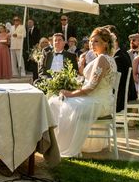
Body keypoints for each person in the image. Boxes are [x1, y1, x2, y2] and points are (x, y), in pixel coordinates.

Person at [48, 27, 117, 157]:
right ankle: (56, 142)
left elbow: (91, 87)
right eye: (91, 41)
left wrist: (70, 93)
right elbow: (90, 80)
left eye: (96, 41)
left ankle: (60, 145)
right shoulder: (104, 58)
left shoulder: (102, 59)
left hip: (98, 101)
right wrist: (81, 67)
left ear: (106, 43)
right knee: (55, 101)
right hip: (99, 98)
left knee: (60, 103)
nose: (92, 44)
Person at [104, 25, 136, 112]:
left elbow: (114, 83)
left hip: (120, 98)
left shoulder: (118, 58)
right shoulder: (123, 53)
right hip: (125, 93)